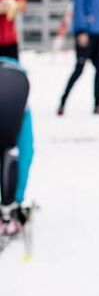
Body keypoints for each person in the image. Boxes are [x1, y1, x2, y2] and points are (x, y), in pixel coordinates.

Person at [0, 57, 34, 237]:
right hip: (16, 84)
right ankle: (10, 205)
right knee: (12, 149)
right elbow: (26, 152)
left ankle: (8, 204)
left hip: (14, 85)